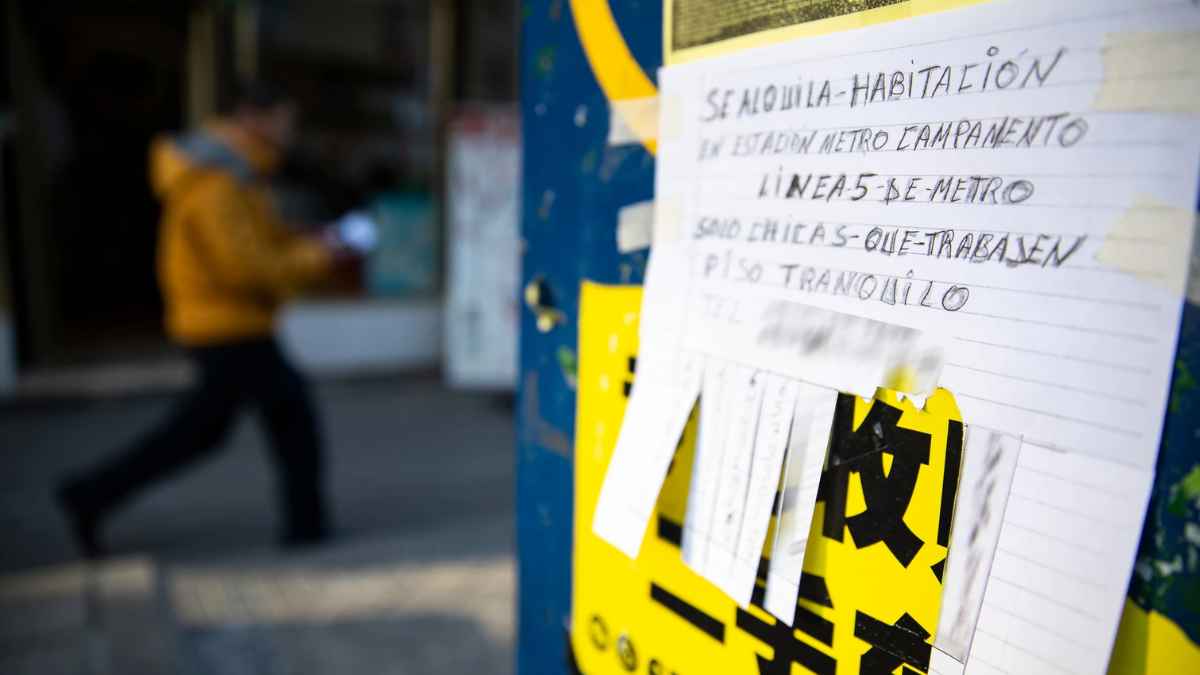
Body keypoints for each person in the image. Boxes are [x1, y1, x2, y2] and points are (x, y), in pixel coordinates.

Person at [57, 81, 341, 557]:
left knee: (214, 430)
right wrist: (315, 257)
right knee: (275, 421)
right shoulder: (216, 183)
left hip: (233, 324)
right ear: (253, 116)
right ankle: (89, 494)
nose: (290, 131)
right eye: (284, 119)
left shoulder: (238, 175)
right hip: (226, 326)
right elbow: (241, 266)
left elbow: (258, 244)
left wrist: (302, 242)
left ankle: (91, 495)